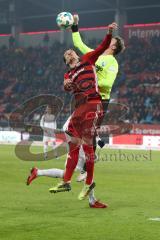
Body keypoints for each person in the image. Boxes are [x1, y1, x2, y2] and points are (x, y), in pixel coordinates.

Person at [48, 22, 118, 202]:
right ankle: (66, 181)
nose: (69, 52)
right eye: (67, 54)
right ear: (66, 61)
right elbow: (65, 86)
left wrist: (109, 33)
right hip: (79, 109)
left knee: (87, 145)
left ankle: (88, 182)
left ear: (77, 55)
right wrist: (65, 86)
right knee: (72, 143)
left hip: (93, 105)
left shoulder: (88, 59)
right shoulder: (68, 75)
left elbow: (102, 46)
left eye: (71, 51)